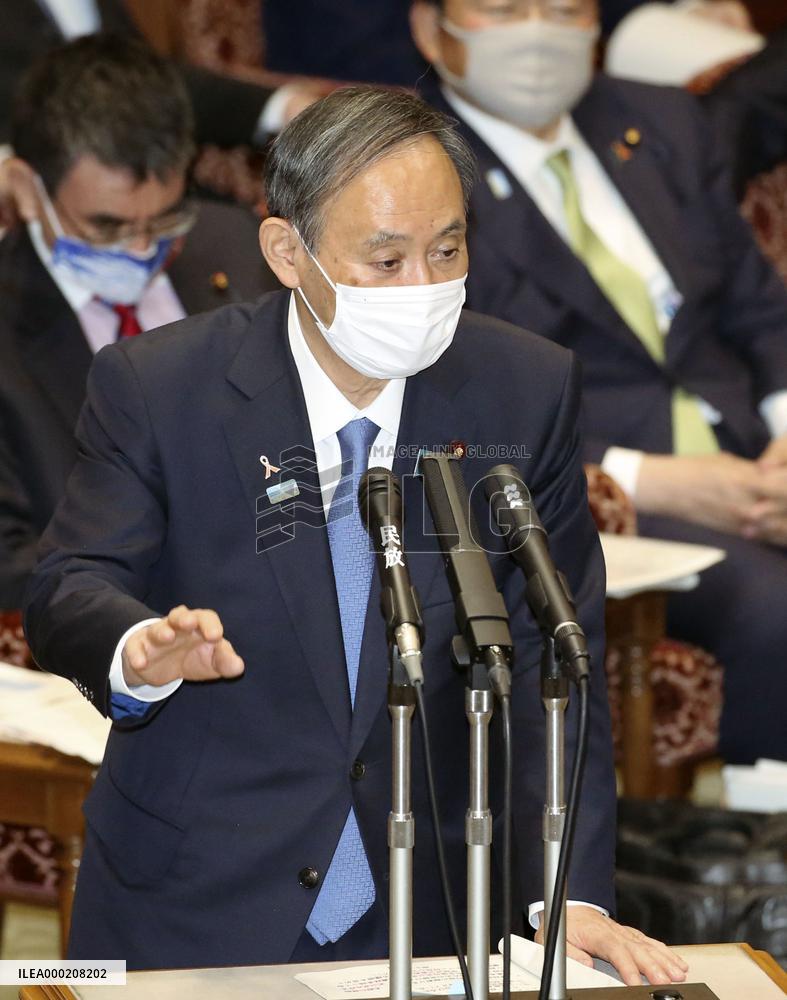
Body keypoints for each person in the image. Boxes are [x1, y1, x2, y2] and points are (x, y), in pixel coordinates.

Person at [24, 86, 687, 985]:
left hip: (442, 894)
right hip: (194, 895)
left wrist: (563, 891)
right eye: (386, 259)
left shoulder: (522, 389)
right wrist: (139, 649)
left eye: (446, 250)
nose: (424, 287)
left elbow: (553, 660)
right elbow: (70, 582)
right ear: (287, 252)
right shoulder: (160, 386)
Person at [410, 0, 787, 765]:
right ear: (429, 27)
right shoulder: (407, 168)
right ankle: (751, 853)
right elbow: (441, 393)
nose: (537, 30)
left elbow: (759, 309)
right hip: (584, 491)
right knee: (771, 608)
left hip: (753, 453)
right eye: (502, 8)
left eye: (562, 7)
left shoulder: (663, 122)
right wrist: (645, 480)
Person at [0, 35, 280, 609]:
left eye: (166, 218)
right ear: (29, 188)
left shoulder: (243, 251)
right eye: (107, 227)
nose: (142, 249)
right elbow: (9, 567)